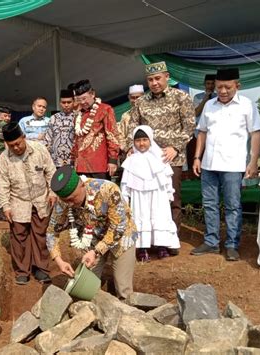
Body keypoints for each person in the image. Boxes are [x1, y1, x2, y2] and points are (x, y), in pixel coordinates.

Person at [191, 68, 260, 261]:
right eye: (219, 86)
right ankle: (211, 242)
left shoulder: (247, 105)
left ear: (237, 86)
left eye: (227, 87)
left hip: (233, 164)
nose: (222, 91)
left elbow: (255, 133)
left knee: (232, 205)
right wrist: (197, 157)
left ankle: (232, 244)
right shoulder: (209, 105)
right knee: (210, 204)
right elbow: (202, 132)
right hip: (208, 164)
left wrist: (253, 161)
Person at [128, 62, 196, 254]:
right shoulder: (141, 102)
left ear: (167, 77)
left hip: (170, 158)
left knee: (171, 199)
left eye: (158, 78)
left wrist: (175, 147)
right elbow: (132, 128)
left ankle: (169, 240)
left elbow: (189, 126)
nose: (154, 83)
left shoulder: (181, 97)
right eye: (150, 80)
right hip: (145, 159)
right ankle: (148, 240)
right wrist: (130, 149)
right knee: (146, 200)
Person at [47, 165, 137, 300]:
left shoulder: (108, 190)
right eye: (66, 201)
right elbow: (51, 232)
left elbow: (118, 227)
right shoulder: (63, 202)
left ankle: (127, 316)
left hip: (122, 237)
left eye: (73, 199)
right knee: (86, 284)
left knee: (123, 286)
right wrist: (59, 261)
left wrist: (96, 251)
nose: (70, 204)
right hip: (93, 238)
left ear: (82, 185)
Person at [0, 122, 56, 285]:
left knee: (40, 234)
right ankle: (22, 270)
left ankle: (41, 269)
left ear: (24, 137)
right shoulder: (4, 158)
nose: (15, 148)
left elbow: (51, 172)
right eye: (11, 145)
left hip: (40, 199)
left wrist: (53, 192)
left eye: (18, 143)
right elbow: (1, 184)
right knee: (19, 236)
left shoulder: (39, 149)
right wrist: (5, 205)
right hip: (18, 202)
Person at [120, 126, 180, 261]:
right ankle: (142, 248)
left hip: (158, 195)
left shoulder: (160, 158)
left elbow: (167, 177)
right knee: (140, 216)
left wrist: (169, 193)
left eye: (145, 140)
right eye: (138, 140)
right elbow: (125, 182)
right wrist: (125, 197)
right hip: (139, 195)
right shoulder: (130, 160)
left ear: (150, 140)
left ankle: (162, 246)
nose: (141, 143)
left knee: (159, 216)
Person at [71, 79, 120, 179]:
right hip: (80, 166)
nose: (83, 102)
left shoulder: (105, 109)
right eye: (79, 100)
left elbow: (112, 135)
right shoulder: (78, 115)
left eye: (84, 98)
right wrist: (73, 161)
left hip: (99, 164)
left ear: (92, 94)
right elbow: (75, 140)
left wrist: (113, 160)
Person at [187, 74, 217, 168]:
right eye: (208, 83)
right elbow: (196, 113)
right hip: (200, 132)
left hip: (214, 131)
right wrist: (205, 99)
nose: (210, 86)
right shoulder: (198, 97)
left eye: (212, 84)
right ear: (204, 84)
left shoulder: (219, 97)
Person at [44, 89, 75, 168]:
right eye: (63, 102)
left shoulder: (79, 117)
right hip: (56, 162)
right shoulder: (53, 118)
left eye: (69, 102)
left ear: (74, 102)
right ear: (60, 103)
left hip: (74, 161)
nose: (66, 105)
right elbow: (48, 139)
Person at [119, 84, 145, 153]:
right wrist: (128, 149)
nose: (135, 100)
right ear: (129, 98)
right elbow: (120, 137)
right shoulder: (125, 116)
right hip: (132, 152)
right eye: (133, 98)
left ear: (143, 97)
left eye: (138, 97)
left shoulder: (150, 113)